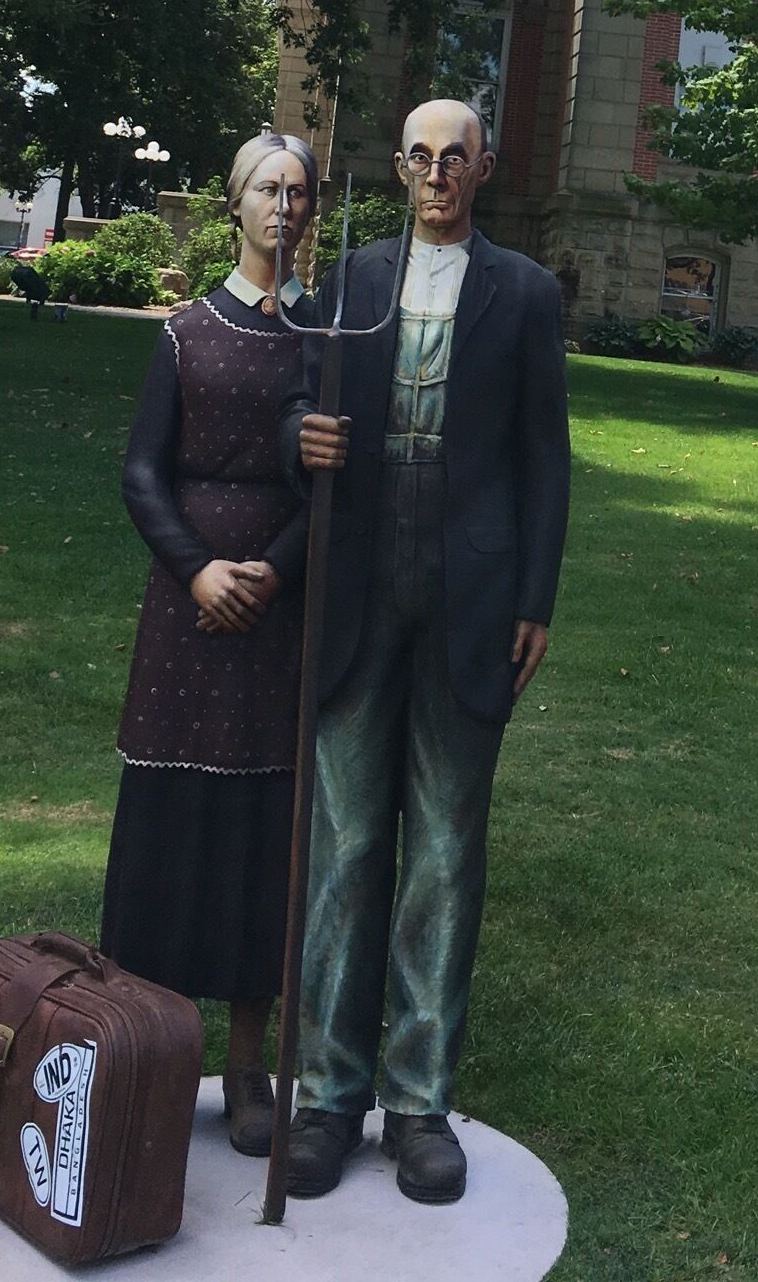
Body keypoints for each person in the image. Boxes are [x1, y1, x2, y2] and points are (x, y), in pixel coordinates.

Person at [280, 98, 569, 1205]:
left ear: (485, 167)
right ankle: (326, 1091)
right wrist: (290, 436)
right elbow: (297, 402)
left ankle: (417, 1100)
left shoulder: (526, 294)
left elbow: (546, 456)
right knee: (347, 844)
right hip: (355, 588)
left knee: (444, 852)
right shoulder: (351, 282)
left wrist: (534, 596)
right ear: (399, 168)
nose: (438, 174)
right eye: (421, 157)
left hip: (470, 594)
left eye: (458, 156)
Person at [99, 130, 319, 1157]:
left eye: (300, 192)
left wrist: (274, 568)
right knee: (171, 823)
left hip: (277, 613)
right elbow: (144, 474)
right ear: (235, 204)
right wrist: (198, 568)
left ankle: (246, 1063)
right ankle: (147, 1049)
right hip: (187, 617)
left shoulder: (326, 342)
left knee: (258, 835)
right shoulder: (185, 332)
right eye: (269, 189)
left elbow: (332, 485)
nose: (286, 206)